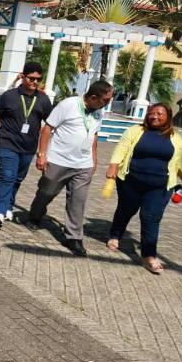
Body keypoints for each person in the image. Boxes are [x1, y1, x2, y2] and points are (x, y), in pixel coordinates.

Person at [25, 80, 114, 256]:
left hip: (83, 165)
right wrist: (42, 155)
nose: (108, 103)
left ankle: (74, 238)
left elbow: (94, 136)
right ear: (94, 97)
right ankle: (35, 215)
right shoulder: (69, 105)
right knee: (46, 192)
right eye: (106, 99)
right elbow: (47, 129)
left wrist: (94, 160)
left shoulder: (98, 112)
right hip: (58, 160)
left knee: (77, 201)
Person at [106, 103, 182, 273]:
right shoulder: (135, 131)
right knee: (125, 210)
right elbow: (122, 148)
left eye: (159, 114)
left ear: (168, 117)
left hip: (161, 187)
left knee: (151, 218)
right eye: (151, 113)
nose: (154, 116)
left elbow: (180, 161)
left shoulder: (176, 137)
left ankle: (148, 256)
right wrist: (114, 165)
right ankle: (115, 235)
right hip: (131, 181)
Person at [0, 62, 53, 229]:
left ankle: (8, 205)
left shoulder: (43, 99)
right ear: (23, 77)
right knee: (7, 176)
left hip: (28, 147)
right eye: (31, 78)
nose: (35, 82)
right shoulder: (9, 96)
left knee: (17, 178)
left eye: (38, 79)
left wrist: (45, 151)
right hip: (7, 143)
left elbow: (51, 123)